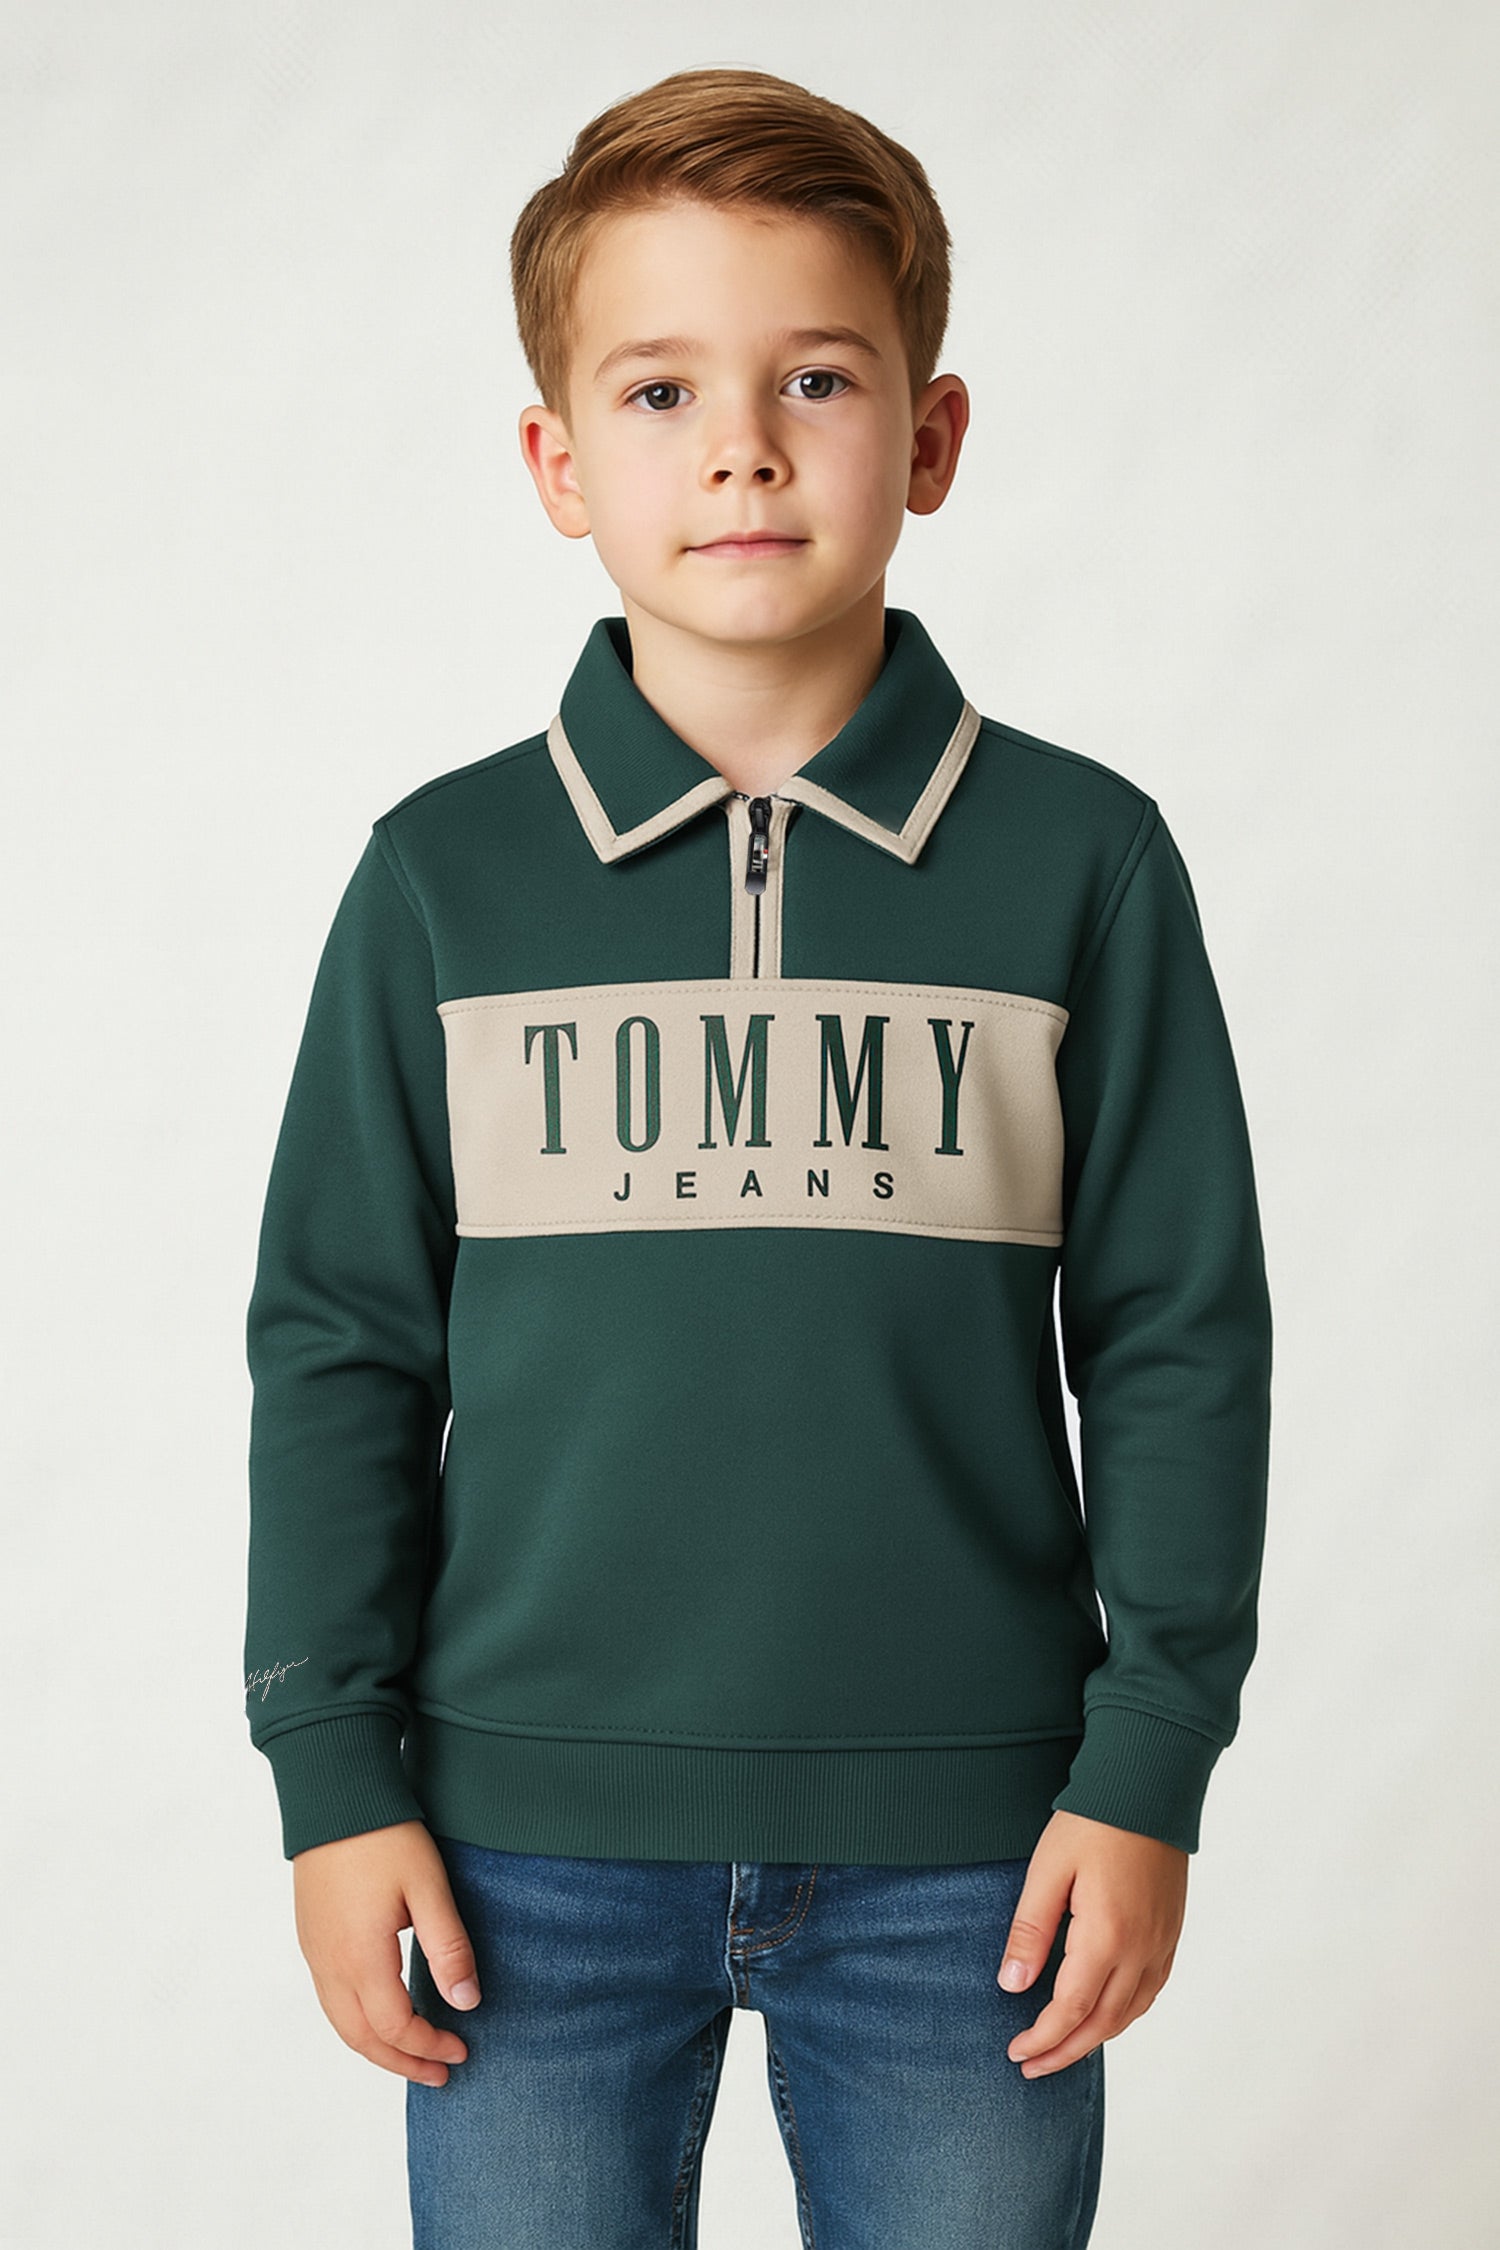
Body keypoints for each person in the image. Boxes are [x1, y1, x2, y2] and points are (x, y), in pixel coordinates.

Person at [242, 63, 1273, 2250]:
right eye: (659, 390)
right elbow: (340, 1347)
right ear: (556, 461)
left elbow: (1178, 1337)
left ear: (934, 436)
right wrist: (331, 1775)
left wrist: (1150, 1761)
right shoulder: (440, 879)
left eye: (817, 375)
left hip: (979, 1865)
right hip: (514, 1856)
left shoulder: (1085, 862)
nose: (742, 447)